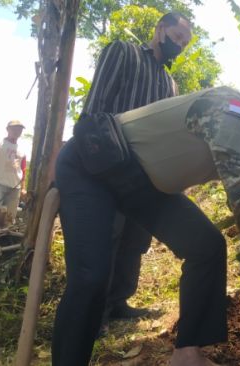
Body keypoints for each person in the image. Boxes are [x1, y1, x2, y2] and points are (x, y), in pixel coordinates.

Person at [52, 81, 240, 366]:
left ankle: (187, 355)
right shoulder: (232, 109)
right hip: (93, 164)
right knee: (91, 277)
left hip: (143, 187)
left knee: (206, 247)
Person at [83, 12, 191, 322]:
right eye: (176, 36)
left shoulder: (169, 83)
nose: (179, 45)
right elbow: (95, 106)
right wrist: (92, 157)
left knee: (134, 240)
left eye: (184, 43)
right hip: (110, 165)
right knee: (107, 238)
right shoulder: (124, 53)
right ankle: (94, 313)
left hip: (146, 174)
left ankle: (118, 303)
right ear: (159, 29)